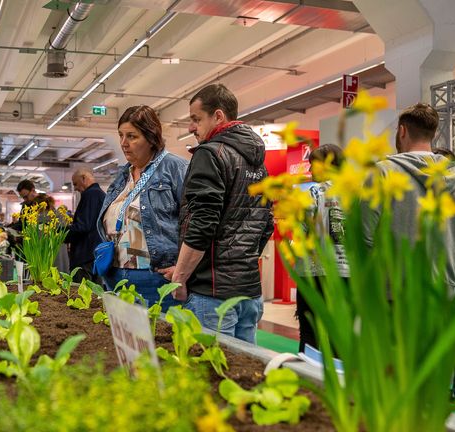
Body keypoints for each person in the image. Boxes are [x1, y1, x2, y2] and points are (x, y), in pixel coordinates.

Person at [361, 104, 455, 423]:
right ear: (433, 135)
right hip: (443, 293)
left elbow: (363, 238)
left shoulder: (380, 173)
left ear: (402, 131)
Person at [170, 83, 274, 344]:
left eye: (196, 119)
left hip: (213, 295)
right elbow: (266, 225)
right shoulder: (257, 161)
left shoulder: (210, 154)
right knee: (243, 377)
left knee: (210, 377)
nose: (191, 128)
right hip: (249, 292)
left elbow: (202, 224)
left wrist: (180, 278)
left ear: (218, 116)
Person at [96, 105, 188, 311]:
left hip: (156, 279)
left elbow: (194, 223)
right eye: (121, 135)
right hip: (116, 277)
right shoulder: (123, 175)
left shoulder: (176, 168)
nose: (123, 143)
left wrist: (182, 269)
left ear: (151, 137)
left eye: (132, 136)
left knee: (159, 340)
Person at [293, 144, 349, 353]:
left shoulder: (313, 193)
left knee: (309, 334)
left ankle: (308, 382)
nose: (310, 170)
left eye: (313, 165)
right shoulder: (356, 192)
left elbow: (300, 230)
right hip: (346, 274)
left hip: (314, 273)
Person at [66, 168, 105, 283]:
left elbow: (83, 226)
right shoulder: (101, 194)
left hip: (84, 256)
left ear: (84, 178)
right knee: (95, 297)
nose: (76, 188)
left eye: (76, 184)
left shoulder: (91, 194)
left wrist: (61, 233)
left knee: (81, 296)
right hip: (95, 254)